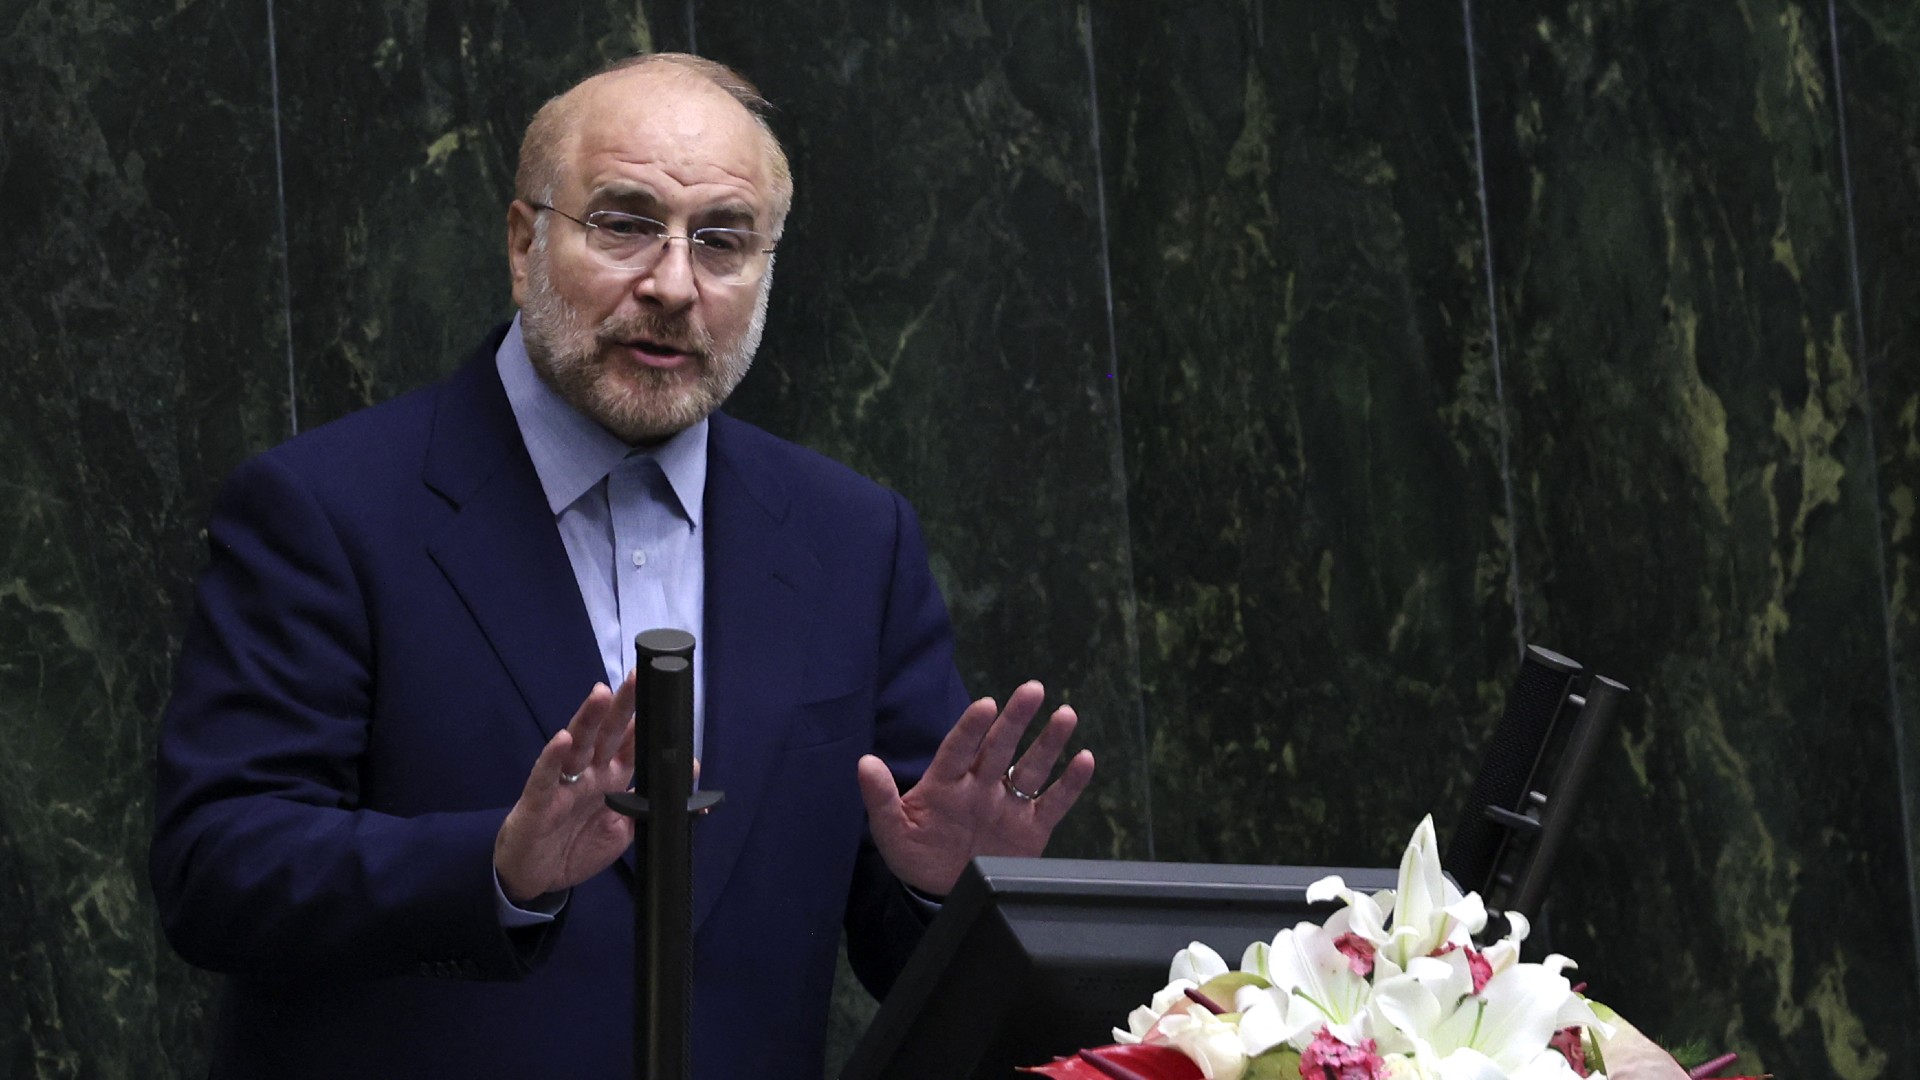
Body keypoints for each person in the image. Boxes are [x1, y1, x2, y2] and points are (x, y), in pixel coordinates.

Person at [149, 52, 1095, 1080]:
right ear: (524, 244)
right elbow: (216, 868)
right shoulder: (326, 510)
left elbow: (898, 941)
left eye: (722, 241)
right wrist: (496, 869)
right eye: (625, 224)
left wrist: (937, 888)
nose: (674, 285)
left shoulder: (854, 540)